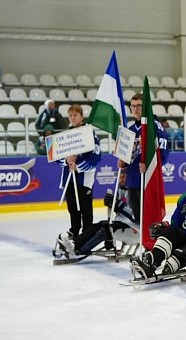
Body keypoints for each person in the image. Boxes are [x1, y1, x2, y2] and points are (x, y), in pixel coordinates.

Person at [55, 104, 102, 250]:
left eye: (75, 115)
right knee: (73, 209)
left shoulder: (89, 133)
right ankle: (74, 232)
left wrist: (78, 164)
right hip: (69, 178)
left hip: (84, 179)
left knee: (85, 209)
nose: (73, 118)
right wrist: (66, 160)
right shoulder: (66, 135)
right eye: (70, 116)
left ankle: (87, 236)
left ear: (81, 116)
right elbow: (57, 156)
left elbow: (96, 157)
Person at [118, 93, 169, 223]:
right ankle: (143, 243)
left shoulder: (154, 126)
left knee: (151, 219)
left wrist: (149, 165)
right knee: (138, 220)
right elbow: (128, 155)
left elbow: (163, 153)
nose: (135, 109)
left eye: (139, 106)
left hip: (148, 180)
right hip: (133, 180)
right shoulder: (130, 129)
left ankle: (151, 243)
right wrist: (123, 162)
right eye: (133, 106)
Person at [54, 186, 139, 262]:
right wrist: (112, 204)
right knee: (98, 225)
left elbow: (136, 215)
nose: (122, 179)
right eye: (121, 177)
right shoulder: (121, 190)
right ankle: (75, 244)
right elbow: (120, 211)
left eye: (124, 177)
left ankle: (80, 250)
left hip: (134, 228)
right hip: (123, 224)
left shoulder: (135, 191)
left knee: (105, 229)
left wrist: (117, 205)